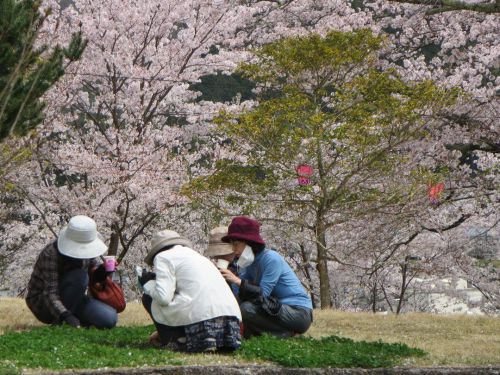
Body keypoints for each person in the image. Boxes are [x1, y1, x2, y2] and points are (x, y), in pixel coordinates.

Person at [139, 229, 242, 352]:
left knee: (148, 297)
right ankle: (208, 340)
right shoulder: (196, 256)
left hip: (202, 316)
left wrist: (149, 284)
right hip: (231, 321)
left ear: (157, 250)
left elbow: (163, 297)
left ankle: (172, 339)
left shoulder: (162, 257)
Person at [220, 216, 313, 338]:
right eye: (232, 245)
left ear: (249, 243)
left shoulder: (271, 258)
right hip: (274, 310)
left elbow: (262, 295)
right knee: (241, 309)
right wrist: (226, 281)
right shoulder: (247, 264)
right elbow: (239, 298)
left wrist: (237, 280)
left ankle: (283, 334)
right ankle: (274, 334)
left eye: (236, 244)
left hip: (299, 312)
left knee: (247, 309)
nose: (234, 249)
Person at [25, 215, 118, 329]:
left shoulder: (87, 251)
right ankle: (62, 322)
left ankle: (75, 320)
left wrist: (102, 271)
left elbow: (94, 269)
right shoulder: (51, 254)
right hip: (44, 303)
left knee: (110, 319)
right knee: (79, 277)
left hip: (76, 298)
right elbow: (50, 293)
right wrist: (66, 316)